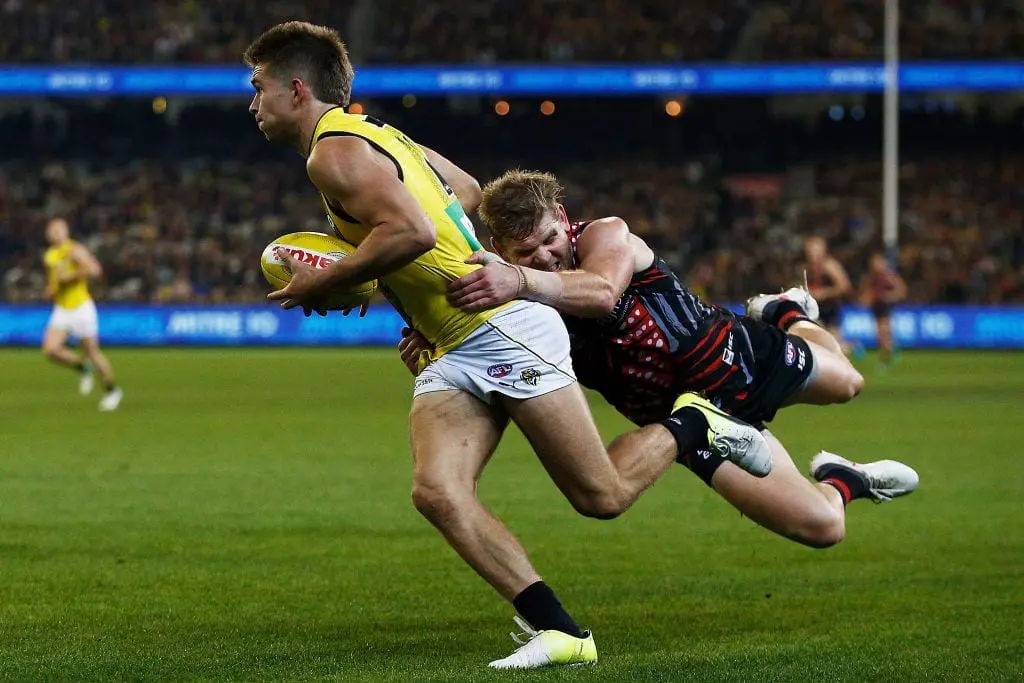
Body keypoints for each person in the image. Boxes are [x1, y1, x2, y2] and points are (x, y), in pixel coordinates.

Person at [243, 22, 771, 670]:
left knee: (601, 496)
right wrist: (397, 284)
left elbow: (410, 231)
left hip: (500, 328)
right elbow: (465, 194)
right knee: (437, 491)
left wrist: (330, 278)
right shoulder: (381, 134)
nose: (253, 102)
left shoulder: (329, 154)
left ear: (297, 89)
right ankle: (561, 633)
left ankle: (698, 422)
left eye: (259, 87)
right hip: (453, 341)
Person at [403, 169, 917, 552]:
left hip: (738, 355)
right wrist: (437, 348)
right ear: (499, 248)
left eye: (550, 239)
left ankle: (785, 312)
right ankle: (845, 479)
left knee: (849, 382)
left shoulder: (606, 235)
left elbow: (602, 292)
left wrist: (519, 279)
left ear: (562, 218)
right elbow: (479, 353)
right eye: (525, 252)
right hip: (693, 423)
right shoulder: (504, 300)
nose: (544, 256)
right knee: (824, 528)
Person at [41, 217, 123, 411]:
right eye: (52, 230)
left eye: (59, 230)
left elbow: (94, 270)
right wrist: (51, 290)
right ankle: (83, 369)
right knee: (50, 350)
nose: (55, 233)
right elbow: (55, 281)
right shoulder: (50, 255)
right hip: (62, 308)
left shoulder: (74, 250)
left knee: (92, 352)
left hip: (80, 308)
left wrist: (70, 276)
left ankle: (112, 390)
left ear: (66, 231)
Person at [803, 236, 861, 358]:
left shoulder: (830, 266)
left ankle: (853, 347)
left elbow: (844, 287)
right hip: (815, 309)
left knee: (834, 346)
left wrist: (823, 293)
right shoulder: (809, 268)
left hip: (830, 309)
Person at [860, 252, 907, 369]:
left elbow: (901, 291)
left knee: (883, 333)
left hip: (886, 308)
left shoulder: (889, 276)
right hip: (876, 308)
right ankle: (889, 354)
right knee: (880, 335)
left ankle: (886, 358)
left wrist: (888, 297)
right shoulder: (870, 278)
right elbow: (866, 293)